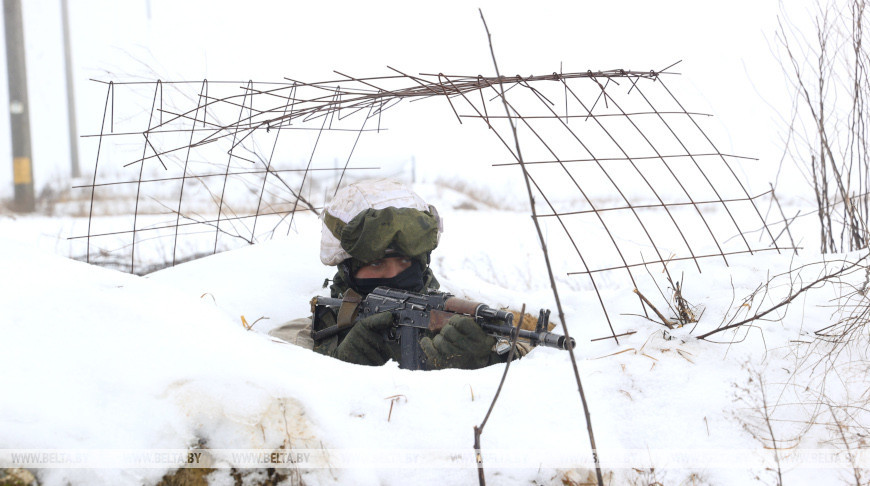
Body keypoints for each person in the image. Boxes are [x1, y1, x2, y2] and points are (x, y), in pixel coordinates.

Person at [269, 178, 526, 369]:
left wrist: (490, 359)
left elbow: (529, 354)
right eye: (377, 264)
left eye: (404, 261)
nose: (394, 274)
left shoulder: (455, 312)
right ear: (347, 271)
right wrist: (343, 364)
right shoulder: (304, 336)